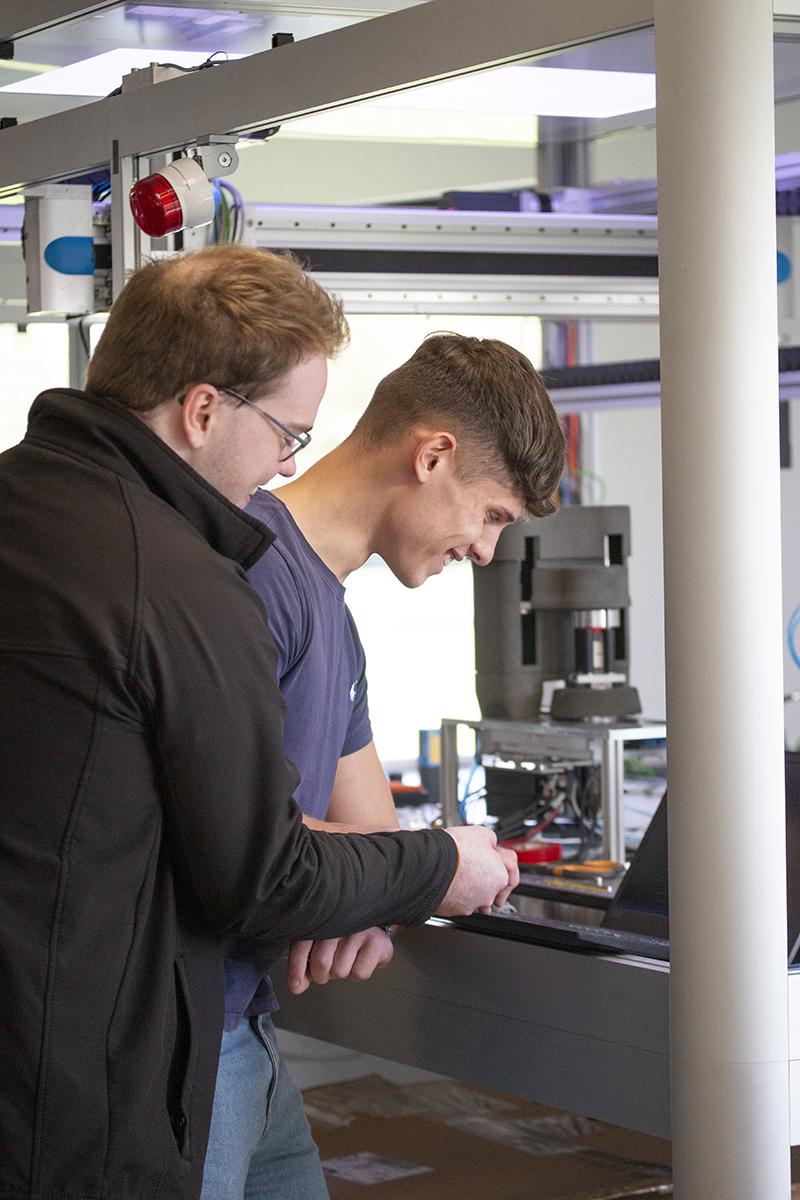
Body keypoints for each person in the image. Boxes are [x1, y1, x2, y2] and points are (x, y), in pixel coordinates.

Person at [0, 246, 520, 1200]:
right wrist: (445, 864)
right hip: (92, 1074)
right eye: (286, 431)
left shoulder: (33, 508)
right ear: (203, 412)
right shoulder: (181, 580)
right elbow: (259, 872)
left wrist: (369, 882)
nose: (288, 461)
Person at [201, 332, 566, 1200]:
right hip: (186, 1040)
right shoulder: (241, 576)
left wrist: (382, 880)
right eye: (491, 516)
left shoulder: (335, 619)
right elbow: (235, 836)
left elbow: (368, 841)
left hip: (249, 1033)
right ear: (433, 454)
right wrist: (419, 869)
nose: (484, 551)